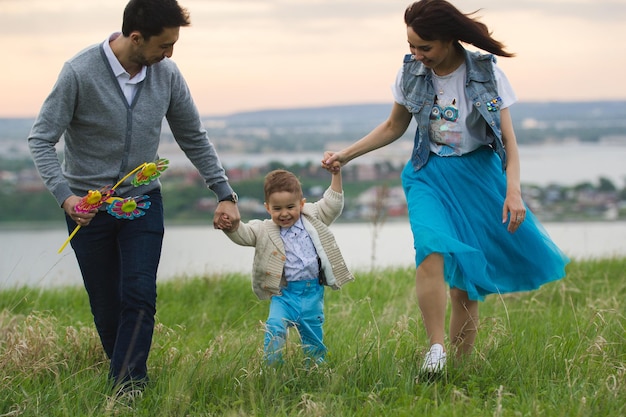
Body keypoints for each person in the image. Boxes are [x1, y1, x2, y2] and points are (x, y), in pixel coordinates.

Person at [322, 0, 569, 375]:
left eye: (426, 47)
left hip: (478, 178)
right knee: (430, 248)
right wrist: (346, 154)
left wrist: (513, 190)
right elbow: (393, 126)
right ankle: (435, 348)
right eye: (411, 47)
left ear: (450, 39)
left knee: (464, 286)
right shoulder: (411, 74)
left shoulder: (487, 74)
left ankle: (460, 369)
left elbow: (508, 140)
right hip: (428, 174)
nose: (418, 55)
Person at [27, 0, 240, 389]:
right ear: (136, 37)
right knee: (107, 306)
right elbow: (41, 140)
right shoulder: (79, 72)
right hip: (87, 210)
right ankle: (124, 376)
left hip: (142, 201)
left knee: (139, 293)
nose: (170, 54)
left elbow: (193, 136)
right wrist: (66, 197)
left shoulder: (168, 75)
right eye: (164, 45)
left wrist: (224, 192)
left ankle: (128, 389)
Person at [222, 169, 354, 365]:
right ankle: (273, 368)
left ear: (302, 203)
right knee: (275, 325)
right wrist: (231, 226)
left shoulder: (313, 217)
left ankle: (316, 370)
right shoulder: (264, 229)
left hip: (312, 293)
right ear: (268, 208)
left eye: (291, 207)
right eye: (277, 209)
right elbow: (244, 234)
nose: (284, 213)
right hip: (284, 295)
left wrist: (336, 174)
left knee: (313, 338)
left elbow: (332, 205)